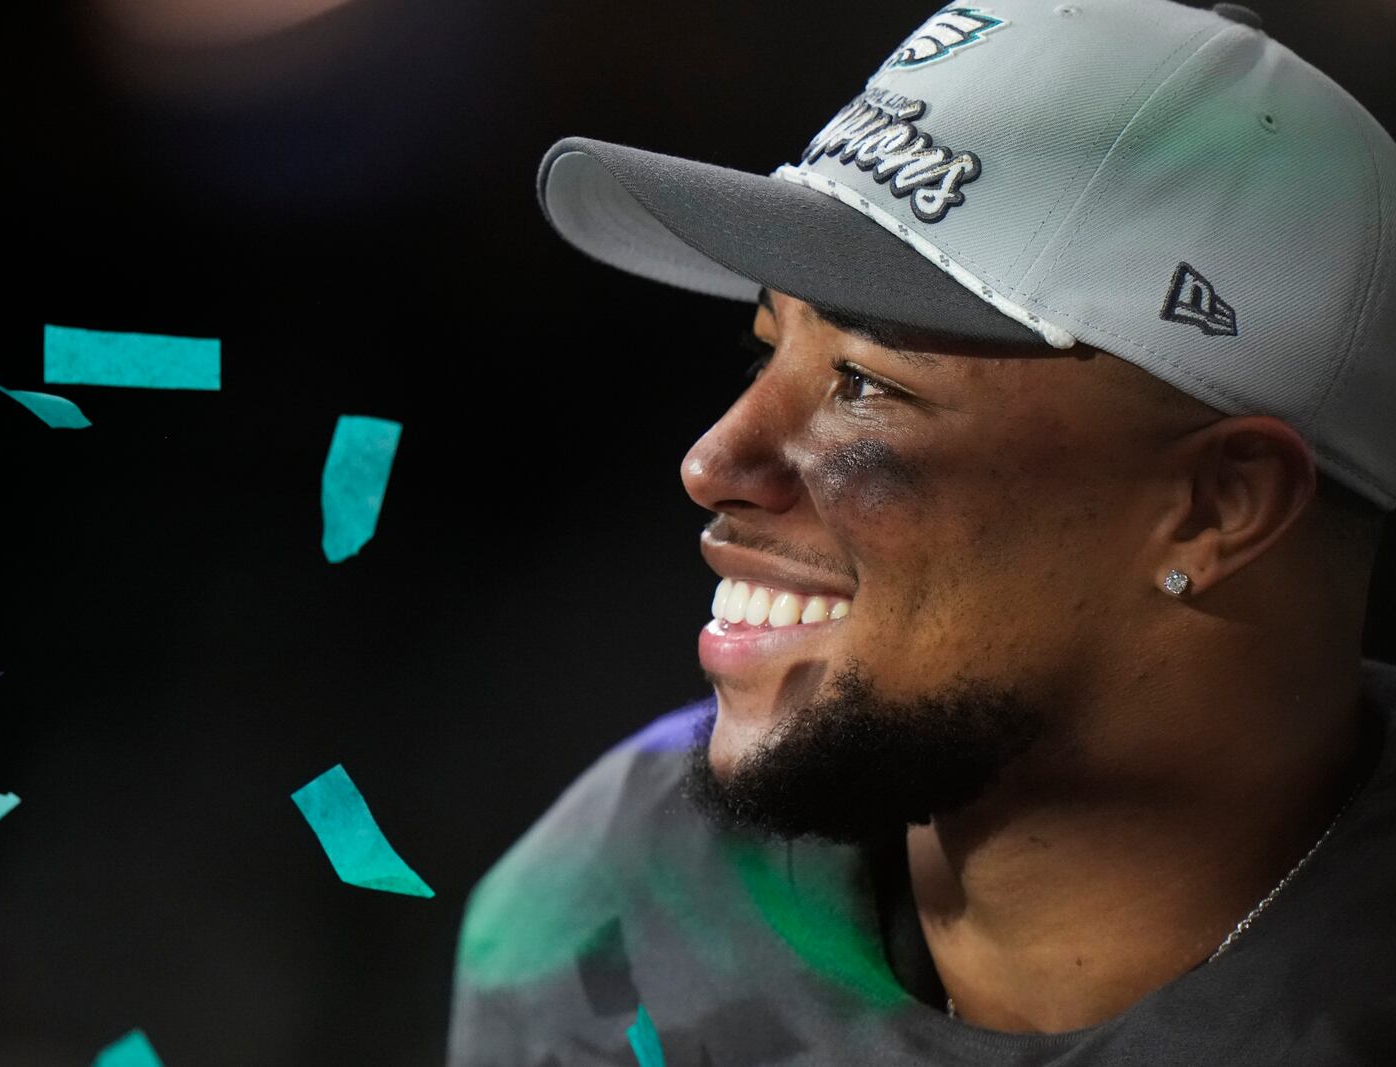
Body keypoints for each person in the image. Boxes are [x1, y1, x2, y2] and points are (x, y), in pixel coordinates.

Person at [448, 0, 1396, 1062]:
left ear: (1220, 504)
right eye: (767, 351)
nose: (712, 464)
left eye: (862, 384)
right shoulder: (614, 902)